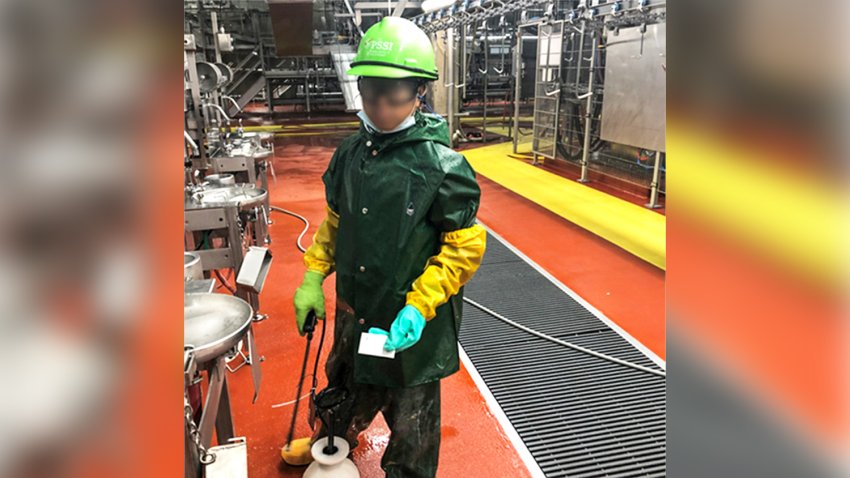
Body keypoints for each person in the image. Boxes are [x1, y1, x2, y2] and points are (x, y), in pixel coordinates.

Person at [282, 16, 486, 478]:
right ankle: (329, 443)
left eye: (393, 96)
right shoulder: (351, 154)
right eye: (370, 93)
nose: (379, 107)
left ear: (418, 93)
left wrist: (419, 306)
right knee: (346, 380)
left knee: (412, 416)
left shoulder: (443, 166)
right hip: (358, 305)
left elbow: (463, 246)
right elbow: (336, 222)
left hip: (412, 316)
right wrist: (314, 277)